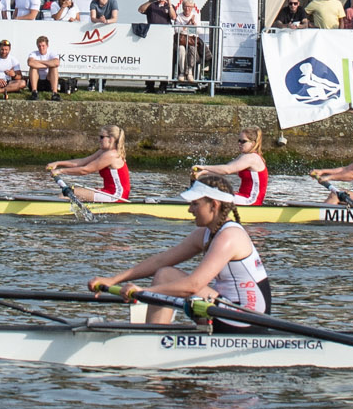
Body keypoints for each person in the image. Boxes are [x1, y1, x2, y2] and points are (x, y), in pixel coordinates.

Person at [90, 183, 272, 326]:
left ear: (214, 205)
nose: (189, 210)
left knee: (166, 277)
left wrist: (144, 292)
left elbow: (193, 285)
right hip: (225, 308)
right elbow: (160, 260)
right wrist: (113, 280)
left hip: (245, 317)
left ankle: (153, 340)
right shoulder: (206, 233)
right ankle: (153, 336)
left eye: (195, 204)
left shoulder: (229, 237)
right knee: (164, 272)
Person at [47, 125, 131, 203]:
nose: (99, 140)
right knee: (70, 194)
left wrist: (60, 171)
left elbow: (85, 170)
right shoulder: (103, 152)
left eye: (101, 137)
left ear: (111, 139)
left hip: (116, 196)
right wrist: (57, 163)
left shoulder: (111, 155)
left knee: (68, 193)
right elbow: (81, 162)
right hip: (108, 192)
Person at [191, 130, 270, 206]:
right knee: (213, 191)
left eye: (243, 141)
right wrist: (203, 171)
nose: (239, 143)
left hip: (251, 200)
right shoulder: (244, 156)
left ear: (253, 143)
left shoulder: (252, 158)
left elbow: (227, 170)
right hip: (242, 196)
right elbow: (224, 169)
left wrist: (204, 166)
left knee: (212, 194)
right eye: (239, 140)